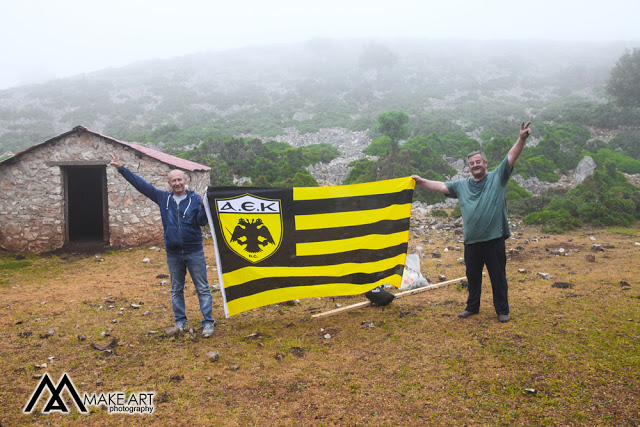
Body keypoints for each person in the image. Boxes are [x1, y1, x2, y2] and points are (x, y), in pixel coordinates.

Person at [412, 122, 532, 323]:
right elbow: (441, 186)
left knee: (498, 277)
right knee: (473, 277)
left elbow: (511, 156)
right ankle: (472, 307)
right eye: (471, 163)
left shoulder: (498, 177)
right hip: (471, 241)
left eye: (478, 162)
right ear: (469, 167)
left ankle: (502, 310)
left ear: (485, 163)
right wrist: (421, 181)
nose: (475, 165)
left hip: (494, 240)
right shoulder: (461, 185)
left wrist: (521, 138)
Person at [109, 153, 215, 337]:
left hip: (194, 251)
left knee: (203, 288)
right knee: (176, 289)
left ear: (185, 180)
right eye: (173, 181)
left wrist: (206, 205)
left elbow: (202, 222)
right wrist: (121, 169)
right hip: (173, 253)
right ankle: (180, 322)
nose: (177, 183)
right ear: (169, 183)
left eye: (179, 180)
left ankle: (208, 323)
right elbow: (141, 185)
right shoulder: (163, 198)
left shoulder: (195, 199)